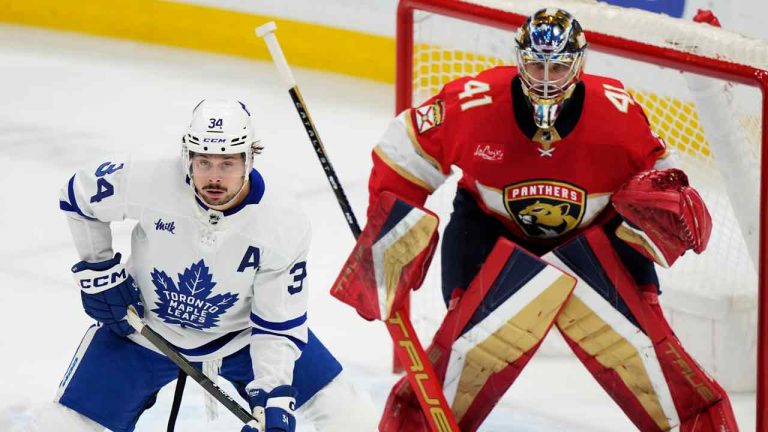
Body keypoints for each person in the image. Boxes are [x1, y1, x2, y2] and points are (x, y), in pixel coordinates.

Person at [369, 9, 738, 432]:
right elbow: (406, 149)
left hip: (597, 237)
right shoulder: (475, 103)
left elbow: (664, 177)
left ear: (578, 65)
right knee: (462, 354)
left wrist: (671, 204)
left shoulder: (616, 113)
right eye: (535, 64)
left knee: (651, 357)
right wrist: (387, 236)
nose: (546, 78)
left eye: (558, 66)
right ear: (519, 59)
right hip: (490, 231)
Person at [33, 99, 377, 432]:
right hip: (143, 329)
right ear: (187, 157)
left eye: (227, 164)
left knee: (351, 417)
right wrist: (100, 270)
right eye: (204, 162)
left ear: (249, 159)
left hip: (242, 338)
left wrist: (272, 397)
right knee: (59, 427)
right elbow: (79, 194)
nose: (214, 177)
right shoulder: (152, 179)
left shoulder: (281, 222)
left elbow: (277, 325)